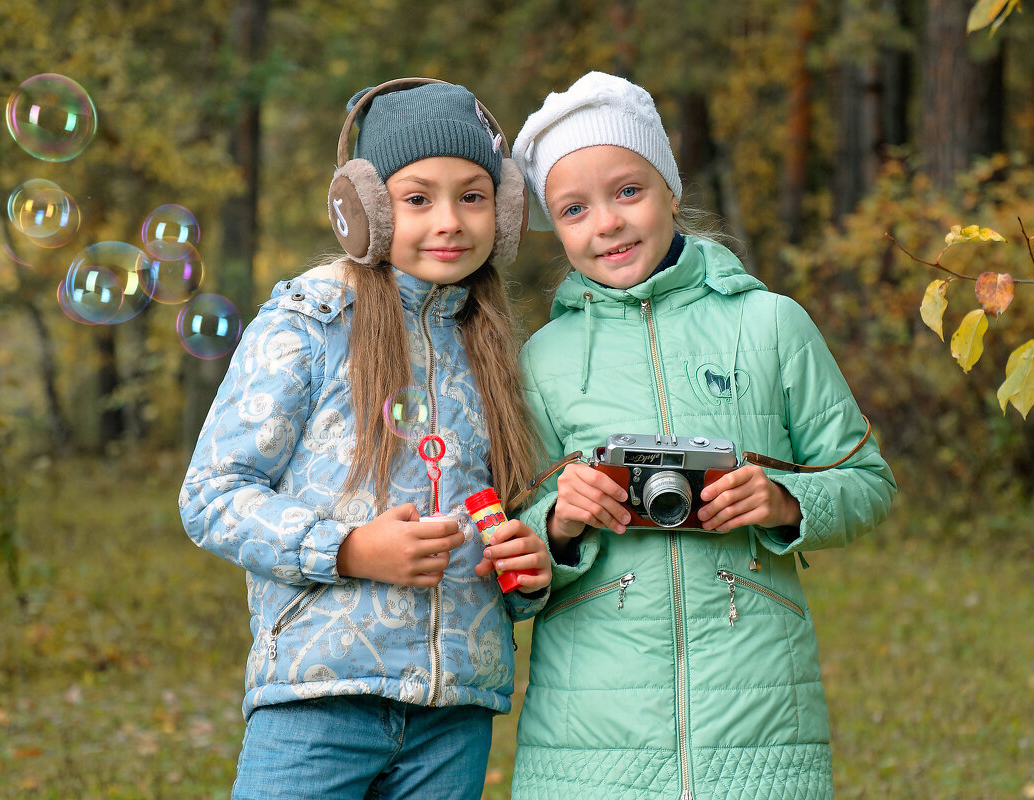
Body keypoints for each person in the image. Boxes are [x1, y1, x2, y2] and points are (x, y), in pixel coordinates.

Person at [507, 71, 897, 800]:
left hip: (760, 719)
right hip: (588, 735)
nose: (608, 224)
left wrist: (782, 501)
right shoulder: (544, 360)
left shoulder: (770, 326)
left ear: (671, 189)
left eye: (629, 191)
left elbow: (869, 482)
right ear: (554, 226)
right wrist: (559, 518)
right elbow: (511, 556)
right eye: (574, 208)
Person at [179, 78, 552, 800]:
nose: (449, 220)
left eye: (473, 196)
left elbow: (500, 518)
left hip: (455, 714)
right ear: (367, 210)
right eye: (418, 199)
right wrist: (346, 549)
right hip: (320, 700)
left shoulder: (496, 351)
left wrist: (527, 573)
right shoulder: (308, 325)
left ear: (504, 212)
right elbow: (212, 496)